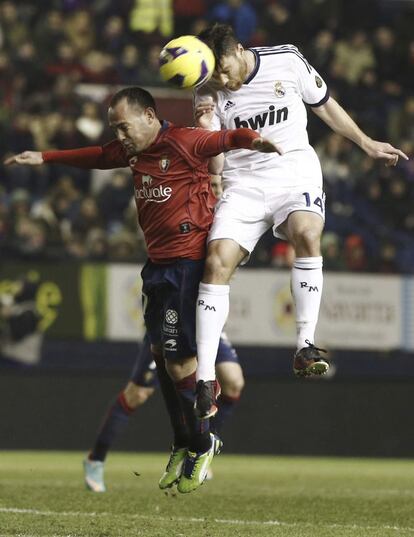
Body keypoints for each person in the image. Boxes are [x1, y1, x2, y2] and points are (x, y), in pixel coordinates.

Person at [5, 86, 279, 492]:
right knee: (161, 358)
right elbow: (97, 156)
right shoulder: (133, 152)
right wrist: (44, 157)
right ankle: (183, 440)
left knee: (182, 366)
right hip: (157, 267)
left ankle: (201, 444)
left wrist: (253, 140)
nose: (119, 135)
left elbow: (225, 138)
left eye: (123, 126)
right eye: (114, 128)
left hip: (187, 266)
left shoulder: (184, 141)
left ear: (149, 116)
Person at [192, 23, 409, 418]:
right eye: (216, 73)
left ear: (240, 50)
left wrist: (366, 143)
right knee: (215, 263)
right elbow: (213, 143)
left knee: (308, 234)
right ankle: (205, 381)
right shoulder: (205, 86)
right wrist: (214, 171)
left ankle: (305, 345)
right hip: (242, 183)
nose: (223, 79)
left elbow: (324, 104)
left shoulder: (286, 60)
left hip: (293, 171)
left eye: (225, 69)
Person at [83, 331, 244, 492]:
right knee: (137, 394)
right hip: (169, 326)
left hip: (204, 326)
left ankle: (200, 449)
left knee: (233, 381)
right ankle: (95, 459)